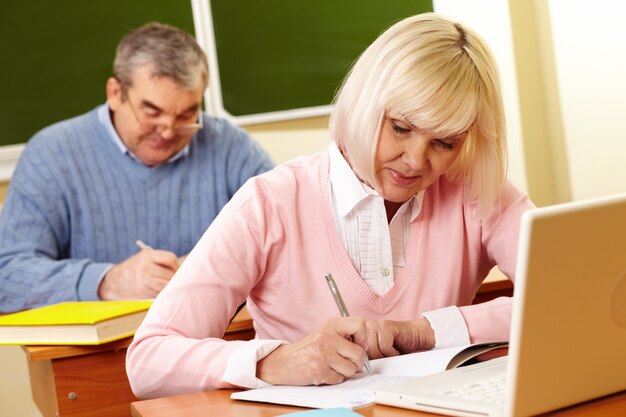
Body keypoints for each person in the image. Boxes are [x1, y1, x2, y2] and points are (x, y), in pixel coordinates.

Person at [126, 13, 535, 398]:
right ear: (364, 103)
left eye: (445, 142)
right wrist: (274, 361)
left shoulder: (475, 189)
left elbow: (573, 298)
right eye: (400, 128)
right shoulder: (270, 202)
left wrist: (429, 331)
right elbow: (148, 361)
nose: (415, 159)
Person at [0, 22, 274, 313]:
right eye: (151, 112)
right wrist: (107, 282)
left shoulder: (231, 147)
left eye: (186, 114)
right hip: (97, 355)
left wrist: (207, 269)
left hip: (217, 347)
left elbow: (290, 236)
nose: (168, 132)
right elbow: (7, 275)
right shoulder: (51, 155)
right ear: (115, 93)